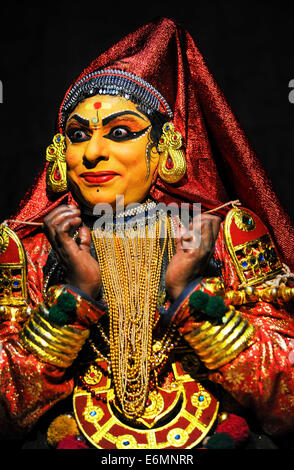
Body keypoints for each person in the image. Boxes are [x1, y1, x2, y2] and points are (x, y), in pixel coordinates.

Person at [0, 17, 294, 450]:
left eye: (120, 133)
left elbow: (287, 402)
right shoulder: (31, 249)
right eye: (78, 135)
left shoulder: (225, 235)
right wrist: (76, 298)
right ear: (61, 153)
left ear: (163, 149)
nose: (94, 152)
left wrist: (190, 295)